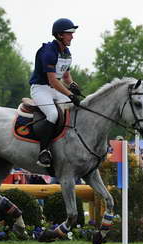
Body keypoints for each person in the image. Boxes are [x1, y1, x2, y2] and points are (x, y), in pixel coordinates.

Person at [29, 18, 81, 168]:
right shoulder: (48, 52)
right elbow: (53, 81)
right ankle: (43, 151)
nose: (72, 36)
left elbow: (65, 77)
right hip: (40, 88)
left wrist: (72, 85)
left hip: (55, 88)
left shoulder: (66, 51)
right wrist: (70, 94)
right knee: (53, 114)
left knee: (75, 107)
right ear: (59, 35)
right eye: (69, 33)